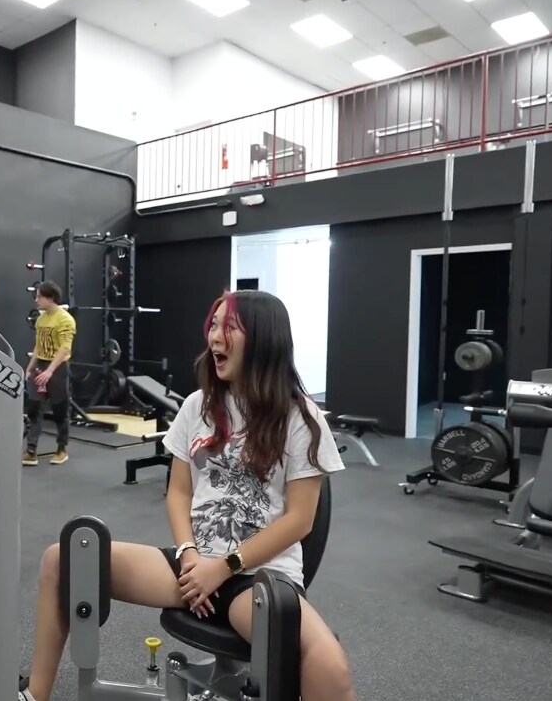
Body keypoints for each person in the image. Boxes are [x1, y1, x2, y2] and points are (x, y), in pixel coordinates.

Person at [19, 290, 355, 701]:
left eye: (229, 327)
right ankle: (34, 694)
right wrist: (189, 554)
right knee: (64, 559)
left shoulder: (299, 417)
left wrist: (225, 567)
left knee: (328, 664)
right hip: (191, 567)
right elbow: (178, 492)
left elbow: (300, 520)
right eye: (213, 325)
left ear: (264, 338)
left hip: (257, 578)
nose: (214, 336)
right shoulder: (199, 405)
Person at [22, 281, 76, 466]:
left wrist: (50, 371)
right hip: (41, 365)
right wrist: (30, 367)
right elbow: (38, 346)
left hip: (58, 367)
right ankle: (31, 451)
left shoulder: (65, 319)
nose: (36, 300)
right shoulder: (41, 319)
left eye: (39, 297)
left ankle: (61, 449)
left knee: (60, 410)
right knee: (34, 408)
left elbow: (65, 348)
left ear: (50, 298)